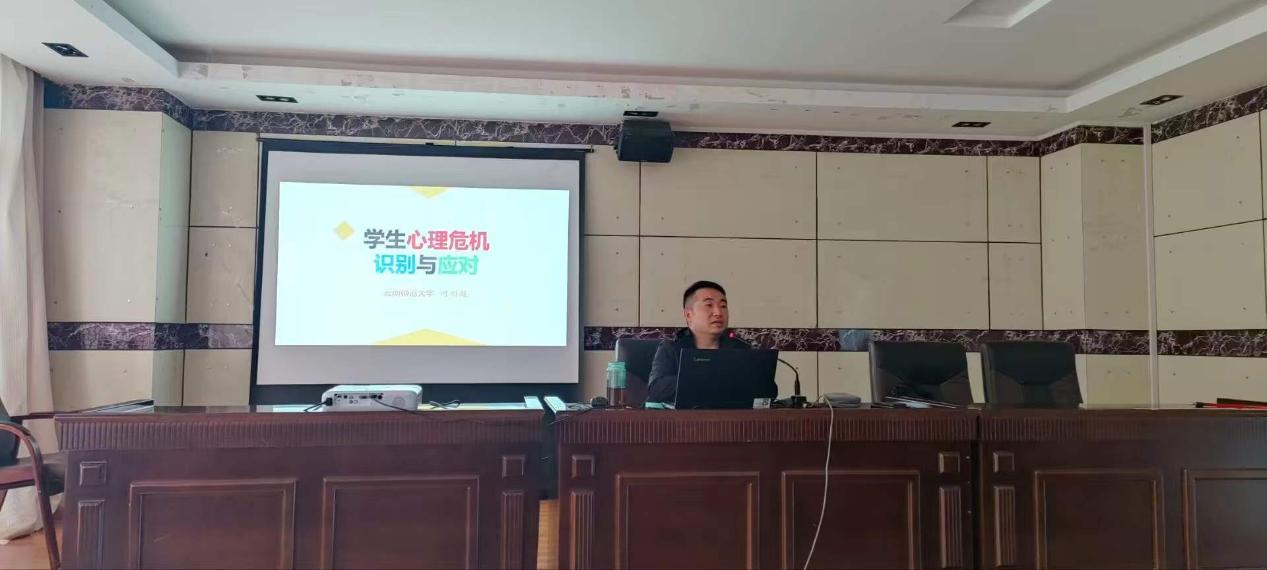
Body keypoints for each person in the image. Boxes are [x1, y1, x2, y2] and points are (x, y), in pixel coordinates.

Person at [646, 280, 750, 404]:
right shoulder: (672, 347)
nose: (718, 313)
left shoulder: (740, 349)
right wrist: (708, 380)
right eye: (709, 305)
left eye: (723, 306)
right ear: (688, 315)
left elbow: (761, 389)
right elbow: (657, 388)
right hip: (684, 416)